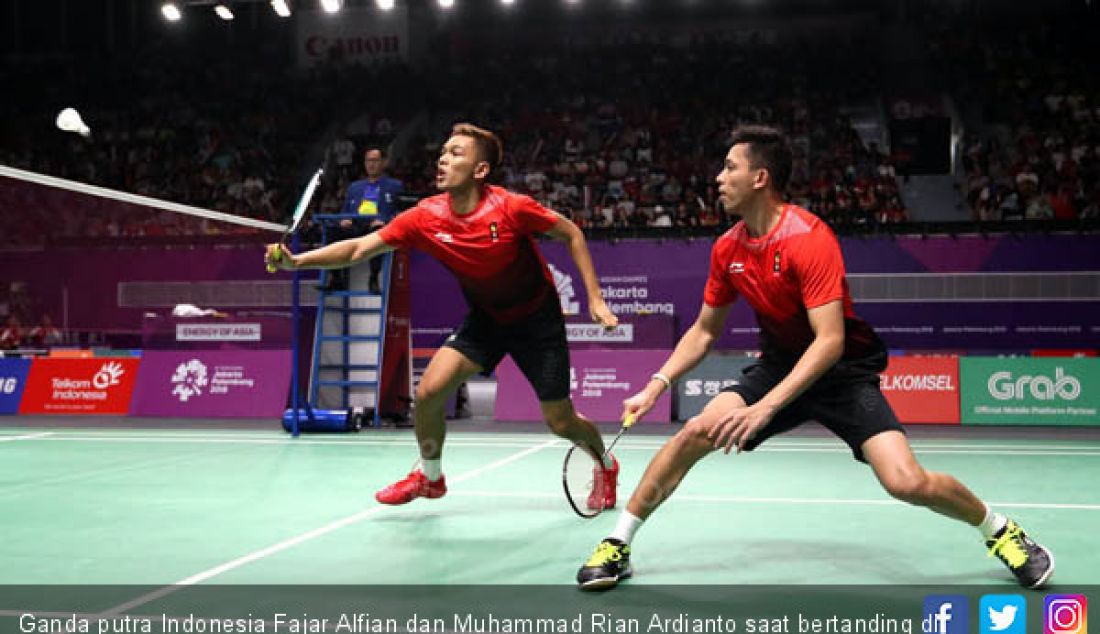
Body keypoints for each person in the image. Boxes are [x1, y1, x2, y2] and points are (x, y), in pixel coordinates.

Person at [575, 125, 1054, 590]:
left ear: (760, 177)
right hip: (780, 364)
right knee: (694, 432)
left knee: (905, 481)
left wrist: (764, 408)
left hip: (841, 374)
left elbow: (830, 342)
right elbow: (704, 330)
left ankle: (1001, 531)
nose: (718, 179)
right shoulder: (727, 248)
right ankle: (617, 543)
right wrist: (656, 385)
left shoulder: (809, 236)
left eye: (729, 168)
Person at [266, 123, 622, 508]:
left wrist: (596, 299)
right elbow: (358, 249)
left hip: (537, 321)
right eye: (443, 152)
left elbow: (571, 234)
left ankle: (605, 464)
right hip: (486, 319)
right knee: (429, 393)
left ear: (480, 171)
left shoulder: (511, 207)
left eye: (455, 154)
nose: (442, 159)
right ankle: (430, 478)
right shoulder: (425, 216)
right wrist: (297, 261)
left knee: (560, 422)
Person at [322, 146, 405, 292]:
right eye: (368, 161)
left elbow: (402, 213)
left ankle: (373, 278)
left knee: (378, 231)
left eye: (375, 160)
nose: (371, 164)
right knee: (332, 230)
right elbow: (346, 211)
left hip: (377, 228)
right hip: (356, 227)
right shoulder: (355, 187)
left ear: (383, 163)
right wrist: (344, 220)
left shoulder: (395, 186)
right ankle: (335, 278)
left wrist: (386, 221)